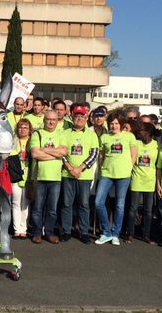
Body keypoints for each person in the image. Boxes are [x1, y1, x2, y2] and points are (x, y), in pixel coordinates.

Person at [94, 112, 137, 246]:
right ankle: (106, 232)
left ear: (121, 124)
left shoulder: (129, 136)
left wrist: (129, 168)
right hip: (107, 174)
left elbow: (134, 154)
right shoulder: (105, 137)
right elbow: (101, 155)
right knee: (98, 202)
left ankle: (115, 233)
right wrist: (102, 169)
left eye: (116, 123)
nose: (114, 126)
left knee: (119, 205)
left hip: (123, 175)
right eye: (111, 123)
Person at [60, 103, 99, 244]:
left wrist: (80, 168)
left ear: (86, 117)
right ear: (72, 117)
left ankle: (83, 232)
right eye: (77, 116)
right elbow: (62, 153)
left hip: (84, 176)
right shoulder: (65, 133)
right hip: (67, 174)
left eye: (82, 116)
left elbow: (94, 154)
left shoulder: (91, 134)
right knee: (66, 204)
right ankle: (66, 231)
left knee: (84, 204)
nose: (79, 119)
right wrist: (71, 168)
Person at [29, 110, 67, 244]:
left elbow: (63, 152)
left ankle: (49, 232)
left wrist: (44, 150)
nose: (51, 122)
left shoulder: (61, 134)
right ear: (44, 120)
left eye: (54, 120)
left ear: (57, 121)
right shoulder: (37, 134)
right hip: (39, 177)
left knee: (52, 209)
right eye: (48, 119)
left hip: (56, 178)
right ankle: (37, 232)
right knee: (38, 208)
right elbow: (35, 154)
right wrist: (54, 154)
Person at [124, 122, 158, 244]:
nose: (139, 132)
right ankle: (130, 233)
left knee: (148, 210)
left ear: (149, 132)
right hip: (136, 179)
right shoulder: (136, 143)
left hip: (150, 181)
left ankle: (146, 234)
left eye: (142, 131)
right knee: (133, 208)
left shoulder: (157, 145)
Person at [11, 118, 32, 239]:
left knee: (25, 204)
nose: (23, 130)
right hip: (16, 175)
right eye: (20, 127)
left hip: (28, 175)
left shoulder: (32, 141)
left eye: (25, 128)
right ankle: (16, 229)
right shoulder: (14, 141)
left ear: (29, 130)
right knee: (15, 203)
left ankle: (23, 229)